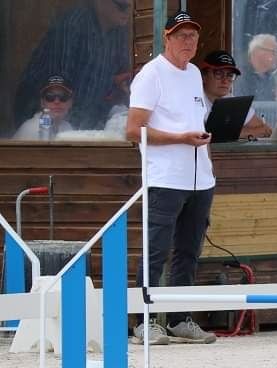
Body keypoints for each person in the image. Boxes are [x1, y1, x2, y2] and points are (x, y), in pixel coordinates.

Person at [126, 11, 216, 345]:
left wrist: (202, 148)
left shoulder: (194, 73)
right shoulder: (151, 75)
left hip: (199, 179)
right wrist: (181, 139)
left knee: (189, 252)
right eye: (181, 36)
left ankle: (180, 318)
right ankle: (143, 322)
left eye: (192, 36)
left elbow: (196, 122)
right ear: (166, 37)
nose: (188, 42)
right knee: (155, 251)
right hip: (164, 178)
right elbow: (134, 130)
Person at [14, 0, 131, 130]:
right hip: (43, 122)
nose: (127, 11)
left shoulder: (119, 32)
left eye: (130, 6)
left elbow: (119, 78)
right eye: (122, 6)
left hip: (84, 123)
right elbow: (58, 84)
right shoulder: (73, 24)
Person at [200, 50, 272, 139]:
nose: (225, 81)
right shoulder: (193, 99)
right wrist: (244, 133)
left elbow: (265, 129)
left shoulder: (231, 100)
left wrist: (230, 134)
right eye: (218, 74)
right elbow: (204, 135)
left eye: (230, 75)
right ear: (203, 76)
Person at [13, 75, 74, 140]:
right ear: (42, 103)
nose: (57, 101)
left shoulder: (67, 127)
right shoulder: (32, 129)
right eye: (50, 96)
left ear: (70, 102)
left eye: (63, 96)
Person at [235, 34, 277, 101]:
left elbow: (271, 109)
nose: (276, 57)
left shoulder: (269, 78)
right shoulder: (240, 77)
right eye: (273, 52)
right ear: (259, 53)